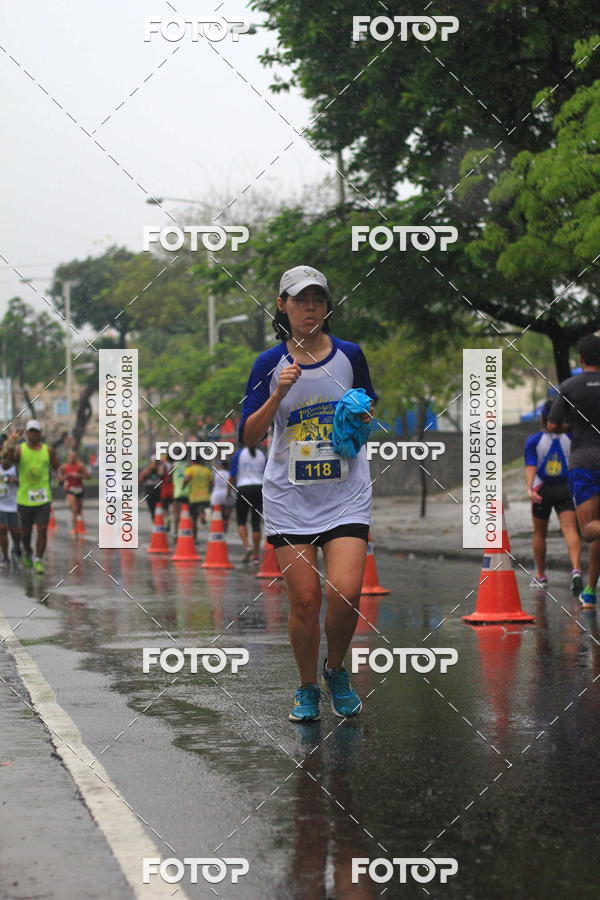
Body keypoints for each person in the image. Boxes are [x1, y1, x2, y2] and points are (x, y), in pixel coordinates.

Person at [239, 265, 377, 722]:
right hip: (289, 499)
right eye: (300, 300)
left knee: (346, 591)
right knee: (304, 601)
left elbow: (367, 414)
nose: (310, 308)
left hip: (345, 494)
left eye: (317, 299)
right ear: (283, 305)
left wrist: (358, 417)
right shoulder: (268, 364)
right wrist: (277, 396)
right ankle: (305, 687)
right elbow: (248, 436)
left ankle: (335, 669)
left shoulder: (349, 355)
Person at [548, 334, 600, 609]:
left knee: (590, 531)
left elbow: (553, 425)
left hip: (584, 461)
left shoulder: (569, 386)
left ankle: (591, 589)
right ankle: (590, 590)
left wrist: (569, 424)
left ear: (580, 359)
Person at [524, 400, 581, 593]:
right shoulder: (572, 438)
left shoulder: (534, 441)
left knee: (540, 533)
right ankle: (576, 570)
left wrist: (530, 489)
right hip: (565, 488)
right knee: (570, 530)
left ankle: (540, 575)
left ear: (543, 417)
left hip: (543, 490)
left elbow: (531, 466)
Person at [2, 420, 59, 574]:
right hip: (24, 499)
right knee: (25, 533)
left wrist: (59, 476)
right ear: (26, 434)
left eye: (36, 431)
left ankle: (38, 559)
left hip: (43, 498)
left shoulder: (49, 451)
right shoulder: (20, 450)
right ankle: (28, 552)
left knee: (42, 529)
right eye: (30, 432)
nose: (33, 434)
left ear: (40, 434)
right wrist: (10, 445)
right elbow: (6, 465)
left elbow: (56, 467)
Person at [229, 445, 267, 563]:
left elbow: (232, 476)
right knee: (256, 522)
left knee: (241, 521)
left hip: (243, 488)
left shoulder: (238, 454)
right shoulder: (262, 455)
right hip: (259, 488)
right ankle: (256, 555)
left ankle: (247, 546)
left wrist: (228, 491)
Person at [58, 450, 91, 536]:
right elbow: (59, 477)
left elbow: (88, 476)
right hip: (70, 490)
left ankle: (80, 526)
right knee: (74, 510)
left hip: (79, 489)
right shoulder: (64, 467)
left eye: (74, 457)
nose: (72, 458)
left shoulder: (80, 466)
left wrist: (79, 475)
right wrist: (63, 478)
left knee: (79, 510)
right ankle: (75, 529)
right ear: (68, 457)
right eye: (70, 456)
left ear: (76, 457)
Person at [0, 453, 22, 567]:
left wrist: (14, 480)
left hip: (14, 504)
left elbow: (23, 482)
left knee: (15, 531)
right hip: (0, 505)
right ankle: (5, 557)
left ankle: (17, 548)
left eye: (5, 458)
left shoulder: (15, 469)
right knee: (2, 529)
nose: (4, 460)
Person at [183, 459, 212, 542]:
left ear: (192, 461)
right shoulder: (206, 470)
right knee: (208, 515)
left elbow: (186, 479)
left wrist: (183, 486)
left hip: (194, 498)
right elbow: (211, 483)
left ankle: (194, 539)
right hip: (205, 497)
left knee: (193, 520)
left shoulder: (190, 469)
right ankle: (203, 516)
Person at [210, 458, 234, 532]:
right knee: (226, 514)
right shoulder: (230, 474)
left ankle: (218, 527)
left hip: (217, 495)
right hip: (229, 495)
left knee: (217, 514)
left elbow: (212, 483)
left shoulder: (216, 473)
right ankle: (225, 524)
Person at [171, 453, 190, 534]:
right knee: (188, 515)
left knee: (176, 514)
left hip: (177, 493)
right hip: (188, 492)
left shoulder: (174, 466)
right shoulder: (189, 466)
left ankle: (176, 532)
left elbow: (168, 477)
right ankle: (187, 533)